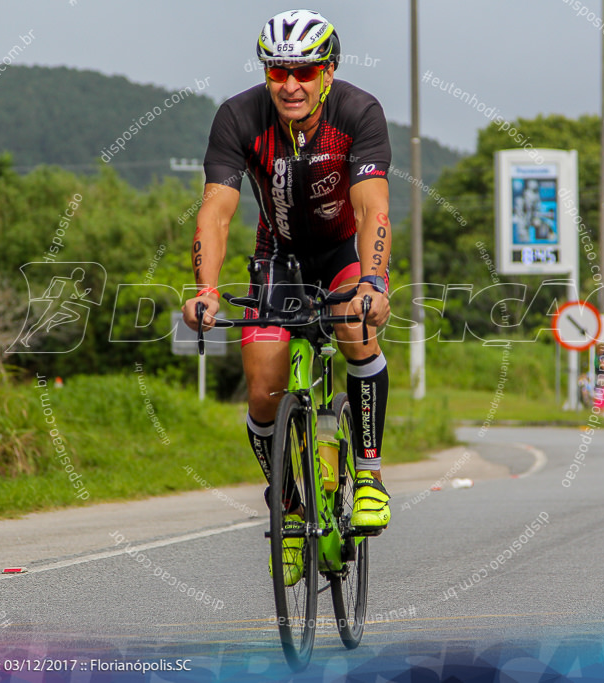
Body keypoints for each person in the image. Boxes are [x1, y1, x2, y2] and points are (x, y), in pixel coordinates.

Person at [181, 10, 392, 585]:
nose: (290, 84)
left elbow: (374, 208)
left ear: (328, 72)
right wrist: (205, 289)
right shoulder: (239, 117)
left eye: (304, 70)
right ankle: (292, 505)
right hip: (279, 256)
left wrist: (372, 281)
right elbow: (216, 214)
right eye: (278, 71)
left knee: (356, 324)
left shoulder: (358, 112)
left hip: (345, 252)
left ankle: (368, 475)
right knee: (262, 388)